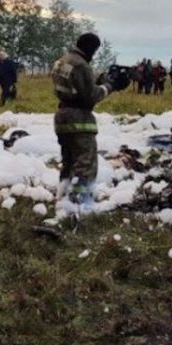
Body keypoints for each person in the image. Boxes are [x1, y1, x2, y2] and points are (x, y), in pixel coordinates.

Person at [51, 33, 119, 215]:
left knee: (68, 160)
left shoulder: (61, 61)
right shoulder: (81, 65)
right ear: (92, 48)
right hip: (79, 119)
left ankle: (63, 196)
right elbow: (90, 97)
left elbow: (73, 87)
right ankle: (79, 204)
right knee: (85, 162)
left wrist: (95, 83)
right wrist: (108, 86)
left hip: (62, 116)